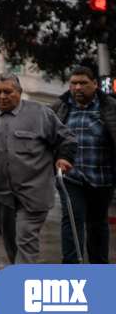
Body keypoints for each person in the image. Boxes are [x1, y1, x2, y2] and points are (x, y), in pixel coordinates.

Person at [0, 73, 77, 264]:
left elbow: (67, 139)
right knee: (11, 244)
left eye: (8, 92)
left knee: (25, 240)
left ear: (20, 92)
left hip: (34, 193)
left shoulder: (41, 113)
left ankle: (23, 288)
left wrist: (64, 158)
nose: (2, 96)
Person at [51, 65, 115, 264]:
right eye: (74, 83)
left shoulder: (109, 106)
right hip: (70, 177)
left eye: (83, 83)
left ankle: (99, 270)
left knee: (97, 225)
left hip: (102, 177)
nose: (78, 87)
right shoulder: (60, 107)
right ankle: (71, 268)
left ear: (95, 84)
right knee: (72, 218)